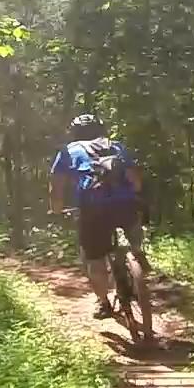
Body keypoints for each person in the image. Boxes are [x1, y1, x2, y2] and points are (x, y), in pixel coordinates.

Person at [49, 113, 147, 319]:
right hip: (125, 204)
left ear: (74, 132)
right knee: (132, 223)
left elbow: (57, 186)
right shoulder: (116, 146)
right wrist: (134, 194)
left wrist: (57, 209)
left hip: (92, 208)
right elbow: (135, 179)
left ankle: (104, 304)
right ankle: (138, 253)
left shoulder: (67, 152)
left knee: (94, 259)